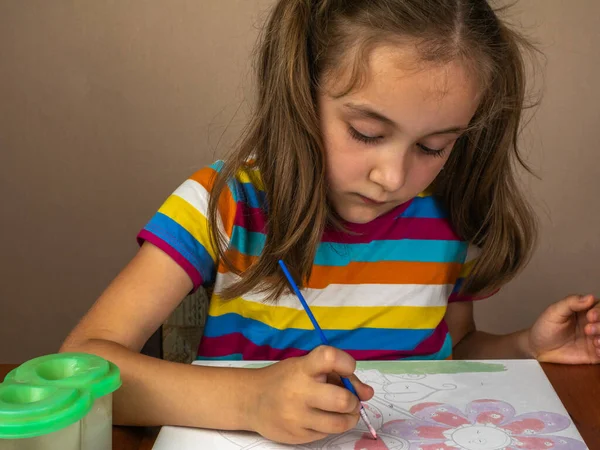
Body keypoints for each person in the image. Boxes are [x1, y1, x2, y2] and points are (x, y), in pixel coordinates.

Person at [61, 0, 600, 445]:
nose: (393, 176)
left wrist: (528, 347)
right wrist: (249, 401)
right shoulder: (224, 204)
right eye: (367, 132)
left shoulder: (444, 218)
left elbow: (452, 351)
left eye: (434, 146)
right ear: (301, 94)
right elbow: (82, 367)